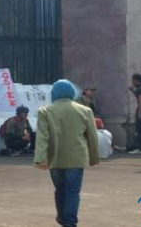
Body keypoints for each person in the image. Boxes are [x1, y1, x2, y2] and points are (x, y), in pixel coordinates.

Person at [35, 80, 99, 227]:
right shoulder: (85, 110)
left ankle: (62, 217)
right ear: (71, 93)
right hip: (76, 159)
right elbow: (92, 137)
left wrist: (40, 158)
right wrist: (94, 158)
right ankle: (70, 222)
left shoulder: (45, 111)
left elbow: (42, 137)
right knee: (73, 191)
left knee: (60, 189)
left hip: (55, 159)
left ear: (54, 94)